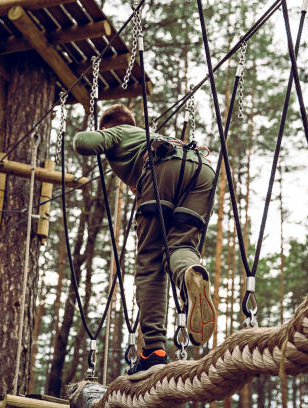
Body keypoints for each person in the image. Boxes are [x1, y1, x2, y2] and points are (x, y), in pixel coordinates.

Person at [73, 104, 216, 375]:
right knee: (182, 246)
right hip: (202, 168)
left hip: (161, 169)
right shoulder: (149, 135)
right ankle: (188, 275)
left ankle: (153, 351)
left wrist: (103, 137)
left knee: (150, 262)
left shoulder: (119, 132)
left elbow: (83, 142)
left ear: (109, 126)